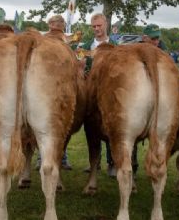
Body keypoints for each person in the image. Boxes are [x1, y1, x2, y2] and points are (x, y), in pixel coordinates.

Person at [79, 13, 122, 177]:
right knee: (90, 127)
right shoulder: (85, 47)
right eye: (94, 26)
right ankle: (94, 163)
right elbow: (80, 67)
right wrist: (81, 68)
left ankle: (113, 163)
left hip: (111, 93)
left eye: (99, 25)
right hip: (90, 93)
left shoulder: (117, 46)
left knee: (112, 126)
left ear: (106, 25)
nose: (97, 29)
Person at [35, 15, 73, 171]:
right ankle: (56, 157)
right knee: (60, 121)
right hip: (58, 85)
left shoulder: (41, 40)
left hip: (42, 85)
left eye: (59, 23)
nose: (57, 26)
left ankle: (48, 157)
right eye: (56, 23)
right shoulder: (65, 41)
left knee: (42, 121)